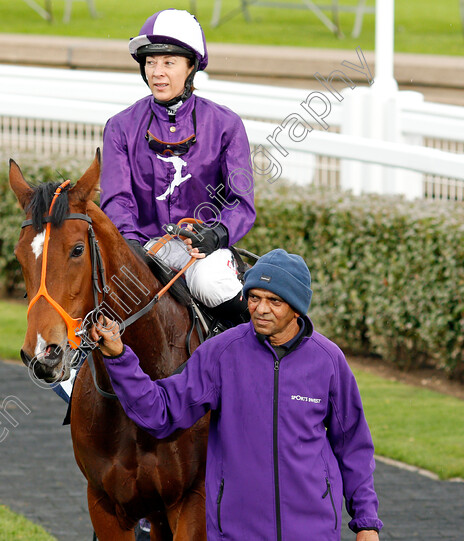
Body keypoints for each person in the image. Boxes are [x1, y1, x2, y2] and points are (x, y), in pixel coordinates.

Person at [90, 249, 383, 541]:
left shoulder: (328, 360)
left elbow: (353, 445)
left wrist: (366, 523)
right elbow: (161, 411)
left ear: (296, 308)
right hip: (237, 532)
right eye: (254, 297)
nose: (260, 309)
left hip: (313, 531)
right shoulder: (222, 353)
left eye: (274, 301)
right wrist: (119, 357)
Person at [100, 8, 256, 324]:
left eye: (169, 63)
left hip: (203, 253)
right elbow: (117, 199)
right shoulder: (119, 127)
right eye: (151, 62)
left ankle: (256, 358)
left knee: (212, 283)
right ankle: (70, 370)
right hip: (141, 249)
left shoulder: (227, 125)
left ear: (191, 67)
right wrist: (133, 247)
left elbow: (240, 202)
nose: (157, 72)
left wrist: (217, 233)